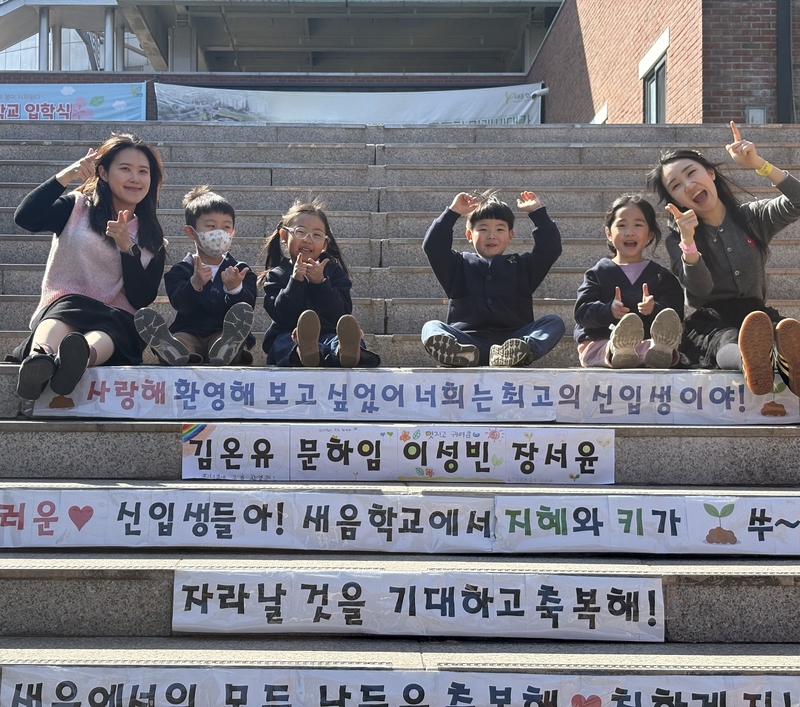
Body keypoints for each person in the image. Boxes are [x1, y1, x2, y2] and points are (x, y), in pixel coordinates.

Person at [647, 121, 800, 395]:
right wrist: (689, 243)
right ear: (676, 200)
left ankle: (788, 364)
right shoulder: (678, 239)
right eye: (677, 185)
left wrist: (759, 164)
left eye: (691, 173)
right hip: (712, 319)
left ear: (710, 173)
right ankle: (751, 364)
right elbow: (700, 291)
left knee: (780, 331)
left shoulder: (752, 217)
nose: (689, 185)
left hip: (756, 315)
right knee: (727, 341)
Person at [10, 133, 166, 400]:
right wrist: (66, 175)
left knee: (109, 330)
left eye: (143, 171)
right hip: (66, 305)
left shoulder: (152, 238)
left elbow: (142, 298)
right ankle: (40, 359)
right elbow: (26, 218)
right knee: (64, 311)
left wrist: (127, 248)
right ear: (103, 173)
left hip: (116, 318)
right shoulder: (77, 207)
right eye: (125, 169)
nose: (135, 178)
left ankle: (77, 361)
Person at [421, 190, 565, 367]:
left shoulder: (522, 266)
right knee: (431, 327)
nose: (491, 235)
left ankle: (522, 350)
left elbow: (550, 249)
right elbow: (433, 247)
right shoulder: (457, 264)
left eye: (500, 229)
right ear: (469, 235)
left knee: (554, 322)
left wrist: (537, 212)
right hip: (467, 343)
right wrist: (453, 212)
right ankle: (459, 354)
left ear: (510, 235)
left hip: (512, 342)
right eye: (483, 229)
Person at [135, 186, 256, 366]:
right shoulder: (181, 270)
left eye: (226, 227)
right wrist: (194, 283)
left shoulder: (240, 270)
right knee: (182, 341)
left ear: (232, 233)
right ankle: (173, 349)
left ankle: (226, 349)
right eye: (211, 226)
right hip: (188, 330)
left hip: (223, 330)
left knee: (226, 341)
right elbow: (180, 304)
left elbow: (246, 309)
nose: (219, 233)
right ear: (191, 232)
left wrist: (235, 289)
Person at [260, 198, 380, 367]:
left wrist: (321, 283)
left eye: (316, 235)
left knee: (336, 341)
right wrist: (295, 281)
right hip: (289, 335)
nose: (308, 240)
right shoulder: (277, 274)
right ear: (284, 235)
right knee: (282, 344)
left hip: (329, 334)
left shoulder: (334, 272)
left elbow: (341, 312)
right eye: (300, 232)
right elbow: (280, 314)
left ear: (325, 243)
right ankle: (304, 351)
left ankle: (345, 352)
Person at [574, 194, 684, 368]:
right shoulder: (598, 273)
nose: (629, 232)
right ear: (608, 233)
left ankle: (651, 353)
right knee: (600, 349)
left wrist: (654, 309)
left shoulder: (660, 276)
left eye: (638, 225)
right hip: (601, 343)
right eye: (621, 225)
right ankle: (618, 351)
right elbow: (582, 312)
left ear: (649, 235)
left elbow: (676, 314)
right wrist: (608, 310)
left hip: (646, 342)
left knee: (655, 347)